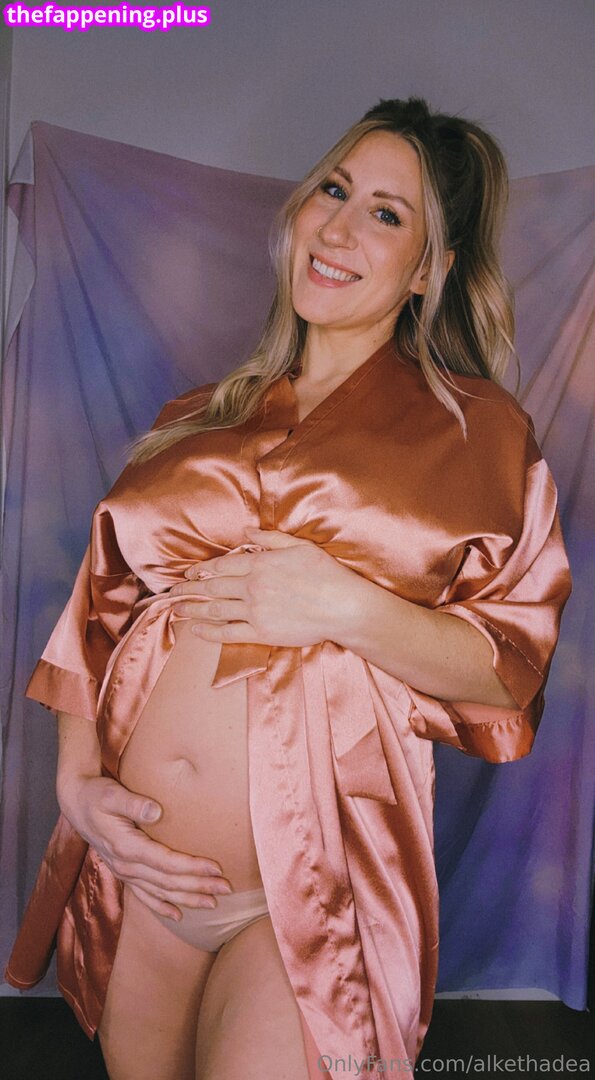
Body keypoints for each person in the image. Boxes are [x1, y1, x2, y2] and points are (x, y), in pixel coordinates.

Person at [5, 97, 572, 1079]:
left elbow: (508, 669)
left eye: (386, 213)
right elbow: (98, 609)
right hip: (143, 873)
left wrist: (344, 605)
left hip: (309, 890)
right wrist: (77, 785)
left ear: (427, 270)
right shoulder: (198, 415)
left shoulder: (479, 432)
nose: (339, 227)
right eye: (333, 190)